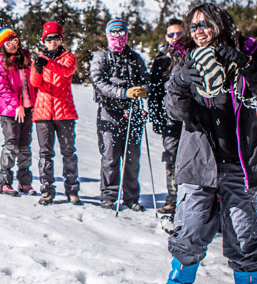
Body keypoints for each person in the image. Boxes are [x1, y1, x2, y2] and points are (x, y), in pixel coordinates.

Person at [155, 2, 257, 284]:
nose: (198, 30)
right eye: (193, 25)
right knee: (189, 237)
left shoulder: (244, 59)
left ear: (220, 25)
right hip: (199, 168)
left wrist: (245, 64)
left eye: (205, 24)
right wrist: (180, 80)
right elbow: (175, 110)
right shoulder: (186, 63)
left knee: (245, 243)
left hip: (238, 169)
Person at [89, 18, 150, 211]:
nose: (118, 36)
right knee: (110, 157)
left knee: (132, 158)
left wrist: (143, 89)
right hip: (109, 113)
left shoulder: (135, 57)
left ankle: (131, 197)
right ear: (107, 34)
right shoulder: (101, 57)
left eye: (121, 32)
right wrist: (124, 92)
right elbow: (98, 82)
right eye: (113, 32)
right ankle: (108, 195)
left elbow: (146, 78)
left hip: (132, 113)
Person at [30, 21, 81, 206]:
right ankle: (47, 190)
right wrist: (37, 68)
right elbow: (35, 83)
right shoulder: (39, 59)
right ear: (44, 40)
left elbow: (66, 72)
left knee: (68, 152)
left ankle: (72, 189)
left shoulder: (68, 57)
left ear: (61, 40)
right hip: (43, 112)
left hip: (64, 111)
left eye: (56, 38)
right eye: (49, 38)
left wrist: (48, 64)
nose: (53, 42)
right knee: (45, 154)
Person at [146, 18, 185, 219]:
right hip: (169, 119)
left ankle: (192, 199)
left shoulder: (193, 55)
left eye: (179, 33)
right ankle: (172, 198)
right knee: (171, 158)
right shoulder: (161, 60)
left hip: (191, 120)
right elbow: (153, 91)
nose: (175, 38)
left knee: (192, 159)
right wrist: (156, 116)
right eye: (171, 34)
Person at [0, 26, 36, 196]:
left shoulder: (25, 60)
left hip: (27, 109)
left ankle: (24, 183)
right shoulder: (0, 63)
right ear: (2, 45)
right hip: (10, 112)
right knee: (11, 146)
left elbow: (32, 83)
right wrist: (16, 104)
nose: (13, 45)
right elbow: (2, 87)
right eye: (8, 42)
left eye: (15, 41)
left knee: (25, 147)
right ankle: (3, 182)